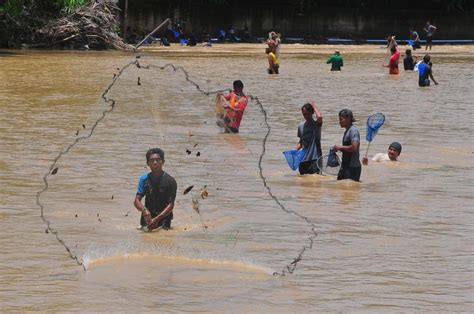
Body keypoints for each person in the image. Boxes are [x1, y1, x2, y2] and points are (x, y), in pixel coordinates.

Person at [134, 148, 177, 232]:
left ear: (163, 162)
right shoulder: (144, 179)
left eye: (158, 160)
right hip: (147, 217)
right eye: (152, 160)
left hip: (164, 218)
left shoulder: (171, 181)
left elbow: (171, 205)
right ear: (148, 163)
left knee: (163, 238)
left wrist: (157, 219)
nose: (155, 163)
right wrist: (144, 210)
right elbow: (136, 200)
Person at [333, 109, 361, 182]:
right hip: (346, 166)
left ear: (348, 118)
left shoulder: (353, 130)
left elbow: (355, 147)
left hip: (352, 168)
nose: (339, 122)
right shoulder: (348, 131)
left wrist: (340, 147)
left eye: (341, 119)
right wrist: (339, 149)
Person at [296, 102, 323, 175]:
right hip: (303, 160)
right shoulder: (301, 126)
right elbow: (301, 142)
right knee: (303, 184)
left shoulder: (316, 125)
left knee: (316, 183)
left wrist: (313, 105)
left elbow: (319, 117)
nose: (306, 116)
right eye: (304, 114)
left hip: (315, 159)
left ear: (312, 113)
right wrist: (295, 150)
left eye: (308, 114)